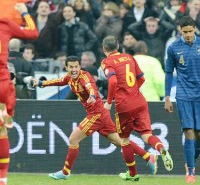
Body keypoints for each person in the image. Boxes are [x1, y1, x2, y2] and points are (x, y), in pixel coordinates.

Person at [32, 55, 158, 180]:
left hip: (96, 114)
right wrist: (41, 83)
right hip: (102, 114)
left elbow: (90, 86)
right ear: (66, 68)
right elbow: (58, 81)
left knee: (73, 139)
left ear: (80, 66)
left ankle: (65, 172)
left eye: (76, 66)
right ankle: (148, 156)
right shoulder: (69, 78)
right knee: (120, 142)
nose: (74, 69)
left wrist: (92, 95)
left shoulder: (84, 76)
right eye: (71, 67)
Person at [101, 35, 173, 182]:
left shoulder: (106, 62)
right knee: (147, 135)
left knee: (125, 140)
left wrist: (109, 101)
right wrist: (132, 91)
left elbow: (113, 80)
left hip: (124, 106)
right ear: (118, 47)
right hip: (140, 101)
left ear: (104, 49)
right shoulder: (129, 57)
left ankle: (133, 174)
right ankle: (160, 148)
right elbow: (141, 78)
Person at [0, 3, 38, 185]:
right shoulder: (4, 23)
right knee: (2, 133)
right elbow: (32, 32)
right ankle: (3, 179)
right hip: (2, 83)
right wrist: (24, 12)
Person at [165, 16, 200, 184]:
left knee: (198, 134)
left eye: (190, 31)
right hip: (184, 94)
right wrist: (167, 97)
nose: (187, 35)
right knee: (189, 131)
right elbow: (168, 72)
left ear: (195, 29)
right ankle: (190, 172)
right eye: (184, 32)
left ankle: (191, 159)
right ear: (180, 31)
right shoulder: (173, 48)